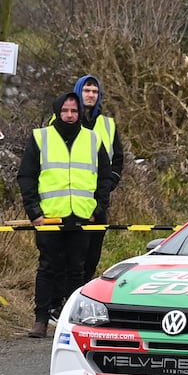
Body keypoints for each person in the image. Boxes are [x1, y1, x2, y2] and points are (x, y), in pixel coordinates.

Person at [17, 91, 112, 338]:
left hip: (81, 217)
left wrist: (97, 209)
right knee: (48, 267)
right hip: (49, 216)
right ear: (57, 112)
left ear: (80, 113)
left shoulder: (93, 139)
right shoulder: (41, 138)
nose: (69, 115)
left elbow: (104, 178)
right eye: (65, 111)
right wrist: (34, 212)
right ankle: (41, 319)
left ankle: (72, 321)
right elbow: (26, 177)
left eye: (74, 111)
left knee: (77, 270)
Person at [73, 74, 124, 282]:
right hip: (71, 197)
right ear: (78, 92)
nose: (91, 95)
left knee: (93, 253)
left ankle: (83, 291)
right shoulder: (65, 119)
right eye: (87, 90)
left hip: (99, 198)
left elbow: (118, 157)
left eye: (95, 91)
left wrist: (110, 181)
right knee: (72, 253)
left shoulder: (108, 124)